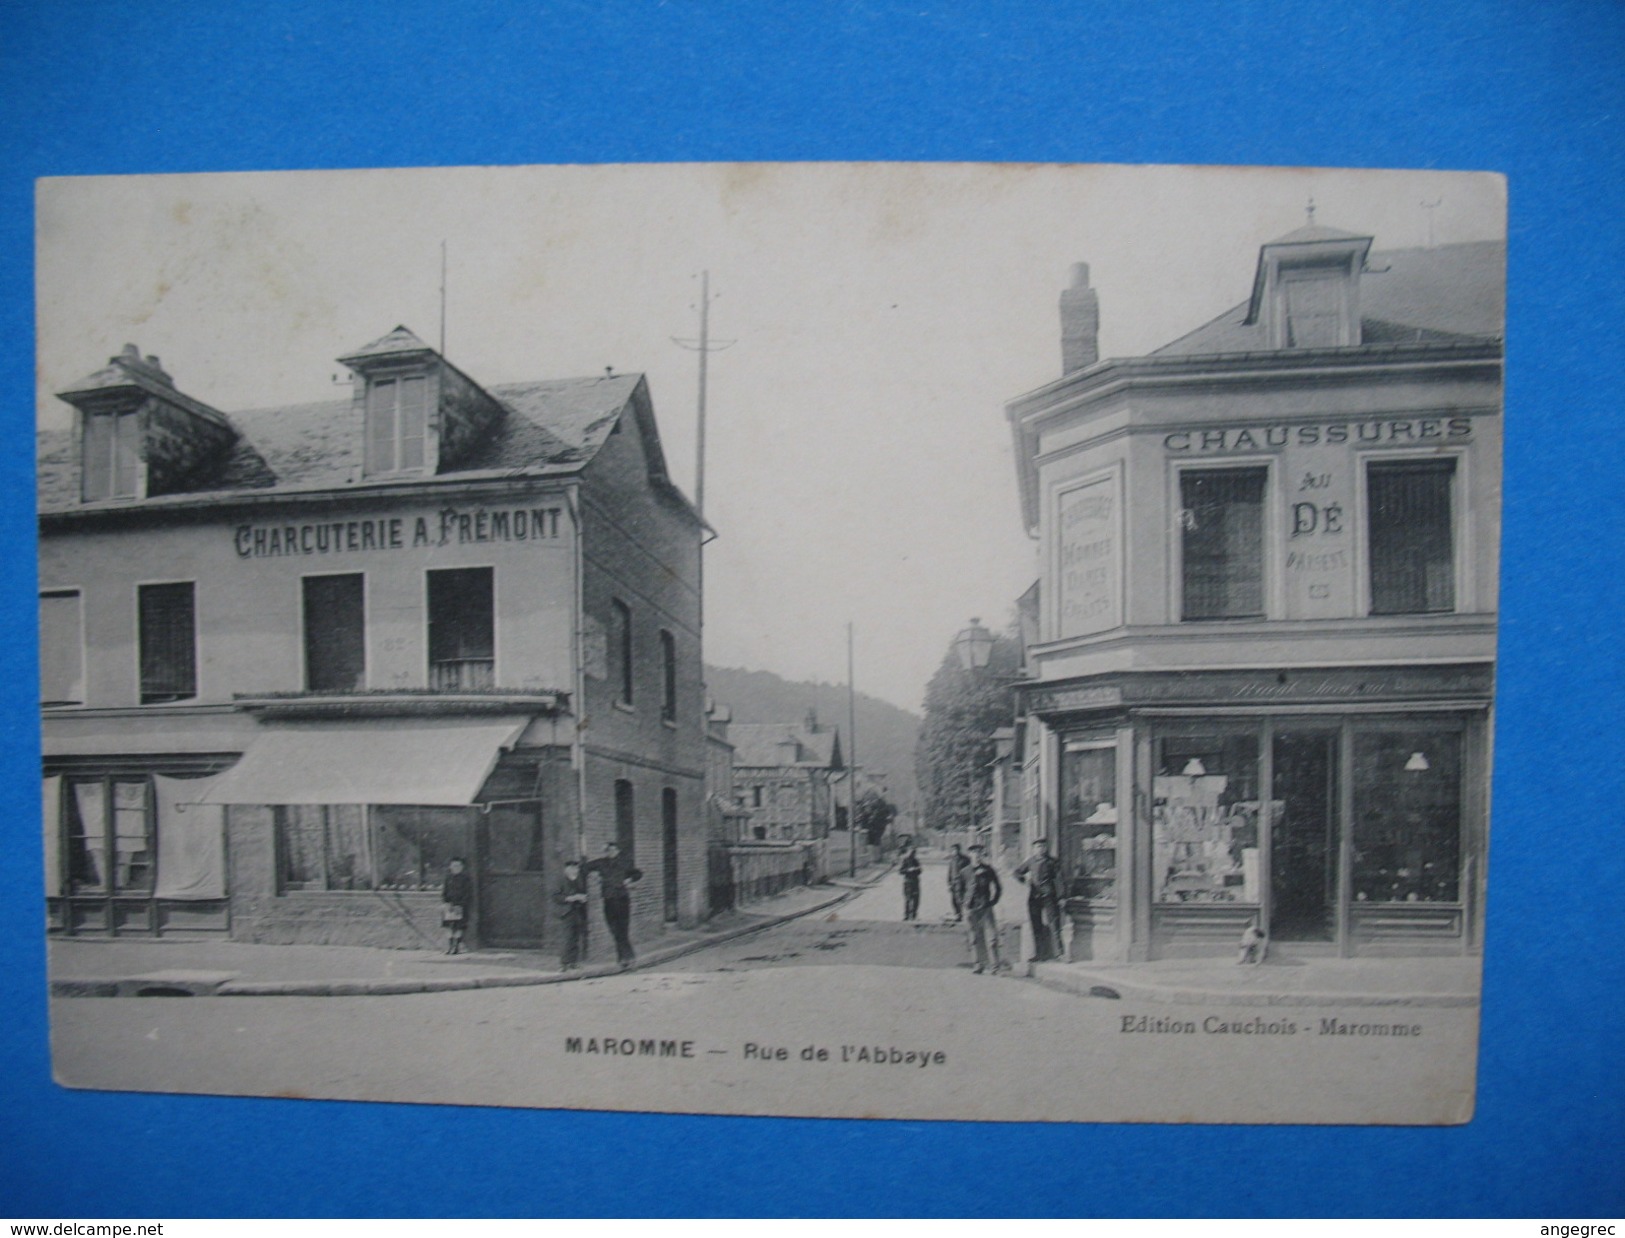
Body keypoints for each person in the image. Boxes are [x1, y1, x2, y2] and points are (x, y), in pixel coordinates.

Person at [586, 840, 642, 969]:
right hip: (608, 899)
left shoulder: (625, 862)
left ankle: (625, 958)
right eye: (608, 851)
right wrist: (594, 876)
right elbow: (585, 867)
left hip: (622, 899)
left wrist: (630, 879)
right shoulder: (600, 863)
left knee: (622, 928)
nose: (611, 853)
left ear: (617, 851)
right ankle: (627, 956)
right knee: (613, 928)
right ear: (605, 852)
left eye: (613, 850)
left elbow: (638, 873)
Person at [1013, 836, 1066, 962]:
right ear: (1033, 849)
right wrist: (1024, 879)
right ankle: (1039, 954)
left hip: (1049, 896)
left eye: (1043, 846)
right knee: (1036, 925)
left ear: (1046, 848)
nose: (1040, 849)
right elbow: (1017, 872)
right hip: (1034, 897)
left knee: (1054, 924)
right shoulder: (1030, 861)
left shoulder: (1052, 862)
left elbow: (1059, 880)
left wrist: (1061, 896)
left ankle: (1059, 953)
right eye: (1038, 847)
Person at [963, 844, 1005, 974]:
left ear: (982, 855)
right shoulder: (964, 871)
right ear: (970, 855)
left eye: (979, 853)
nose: (977, 856)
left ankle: (995, 967)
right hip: (970, 908)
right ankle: (978, 965)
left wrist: (993, 900)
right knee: (974, 938)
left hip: (986, 908)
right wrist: (963, 903)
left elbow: (998, 887)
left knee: (991, 938)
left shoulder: (988, 870)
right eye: (974, 853)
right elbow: (958, 889)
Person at [554, 857, 589, 971]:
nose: (575, 871)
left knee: (576, 937)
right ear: (567, 869)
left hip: (578, 911)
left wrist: (584, 898)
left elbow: (584, 892)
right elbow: (556, 897)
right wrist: (571, 898)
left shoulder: (580, 880)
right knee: (567, 938)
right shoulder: (560, 880)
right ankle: (564, 963)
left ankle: (573, 962)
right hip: (567, 912)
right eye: (573, 868)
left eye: (577, 868)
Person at [440, 856, 473, 955]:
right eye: (454, 865)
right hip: (449, 905)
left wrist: (461, 904)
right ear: (450, 867)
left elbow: (468, 893)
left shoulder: (465, 879)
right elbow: (445, 891)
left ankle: (456, 947)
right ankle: (450, 946)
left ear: (462, 867)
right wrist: (446, 902)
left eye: (458, 866)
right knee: (449, 926)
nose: (456, 868)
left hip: (460, 905)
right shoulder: (448, 878)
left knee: (459, 927)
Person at [945, 843, 971, 922]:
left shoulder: (965, 859)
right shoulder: (952, 860)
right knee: (954, 900)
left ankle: (965, 915)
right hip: (953, 882)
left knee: (961, 899)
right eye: (952, 850)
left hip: (962, 882)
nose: (953, 852)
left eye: (955, 850)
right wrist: (949, 883)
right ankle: (957, 914)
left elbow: (969, 870)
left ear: (959, 850)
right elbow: (950, 872)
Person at [899, 842, 922, 921]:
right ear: (908, 851)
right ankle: (907, 915)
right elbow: (901, 871)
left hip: (915, 881)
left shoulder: (916, 860)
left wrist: (916, 869)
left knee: (916, 899)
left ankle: (914, 915)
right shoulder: (905, 860)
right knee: (908, 899)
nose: (912, 854)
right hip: (908, 882)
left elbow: (920, 871)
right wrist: (908, 870)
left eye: (914, 852)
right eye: (911, 852)